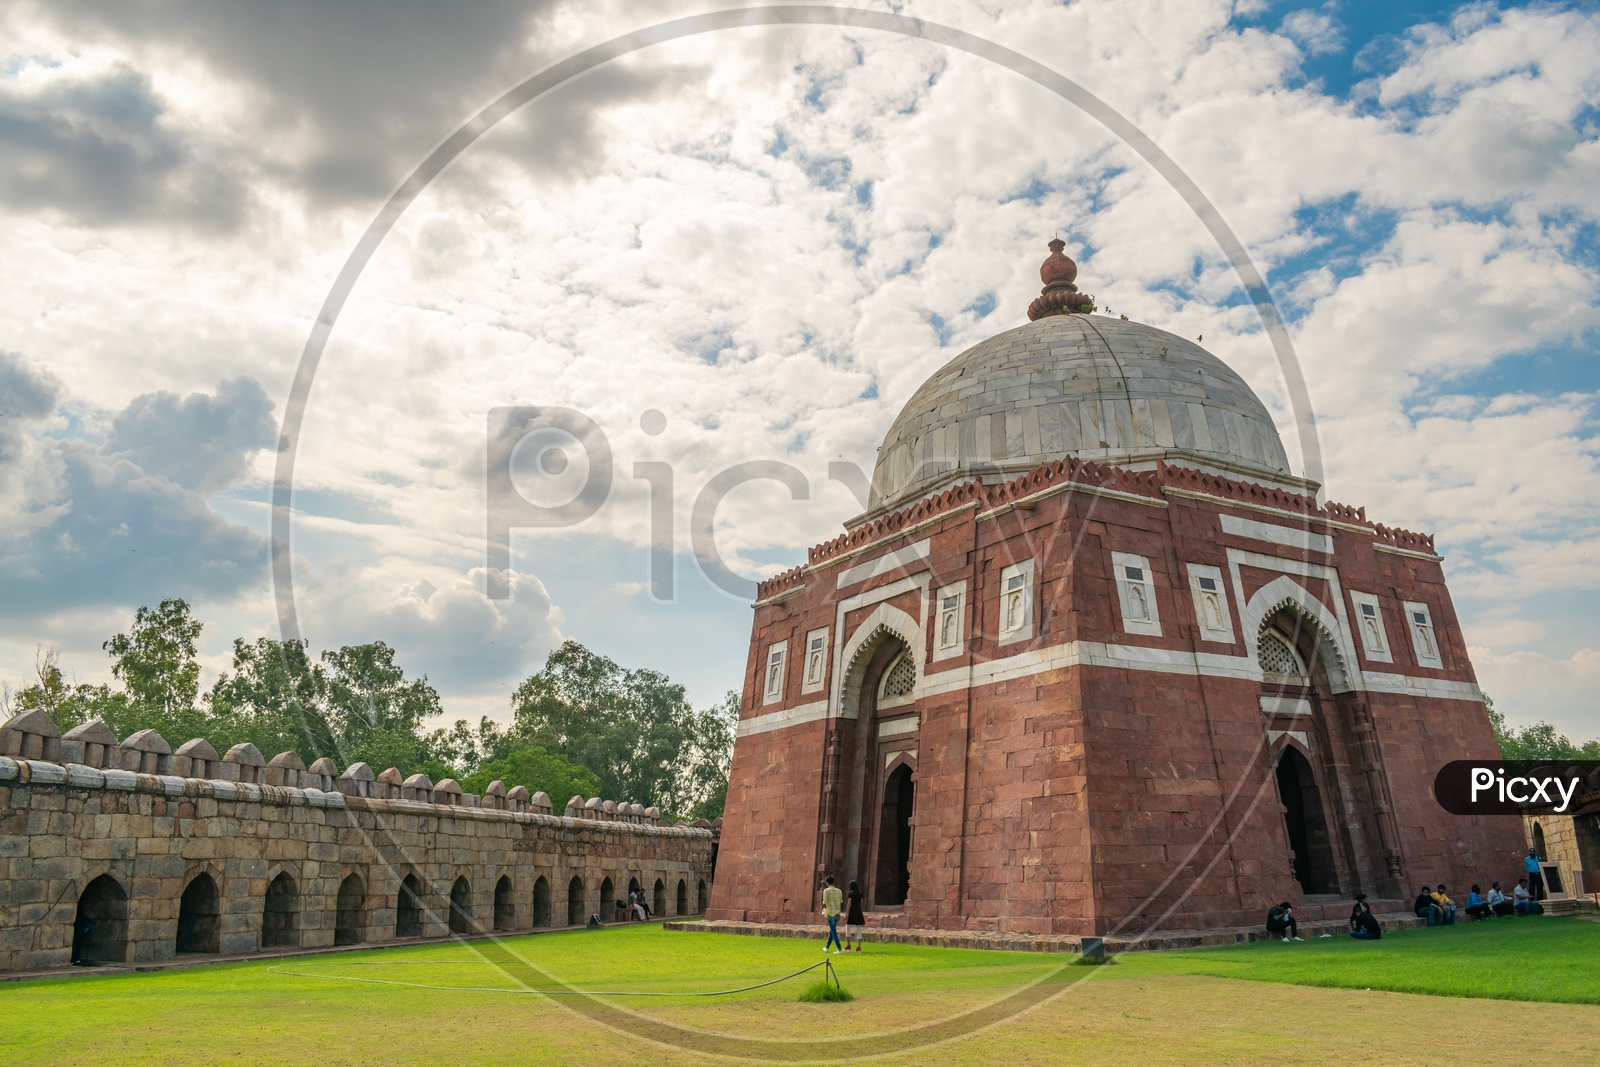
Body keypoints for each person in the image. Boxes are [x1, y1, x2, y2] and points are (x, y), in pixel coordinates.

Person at [821, 876, 844, 953]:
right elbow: (841, 901)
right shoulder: (839, 891)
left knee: (833, 931)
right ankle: (827, 947)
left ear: (827, 883)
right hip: (837, 913)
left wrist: (821, 908)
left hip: (830, 913)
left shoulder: (826, 891)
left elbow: (825, 902)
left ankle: (839, 948)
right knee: (832, 930)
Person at [845, 879, 866, 953]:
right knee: (859, 928)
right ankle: (859, 946)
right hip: (858, 910)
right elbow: (861, 904)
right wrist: (861, 911)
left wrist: (846, 912)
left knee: (847, 927)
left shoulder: (850, 893)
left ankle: (848, 945)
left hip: (852, 911)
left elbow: (849, 903)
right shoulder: (860, 893)